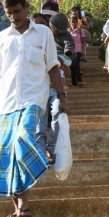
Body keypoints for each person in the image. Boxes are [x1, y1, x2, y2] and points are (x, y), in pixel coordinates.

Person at [0, 0, 69, 217]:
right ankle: (21, 207)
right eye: (9, 13)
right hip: (7, 104)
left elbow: (53, 66)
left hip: (34, 100)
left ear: (26, 7)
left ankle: (38, 171)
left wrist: (61, 96)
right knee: (7, 156)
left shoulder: (43, 33)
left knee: (24, 140)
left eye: (18, 11)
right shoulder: (1, 39)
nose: (14, 17)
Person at [38, 12, 74, 160]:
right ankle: (40, 152)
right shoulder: (39, 42)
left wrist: (61, 61)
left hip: (55, 90)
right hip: (39, 89)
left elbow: (68, 73)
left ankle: (51, 148)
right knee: (39, 124)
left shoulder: (62, 42)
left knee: (57, 112)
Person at [68, 15, 87, 87]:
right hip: (70, 50)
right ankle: (73, 82)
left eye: (74, 22)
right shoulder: (68, 31)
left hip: (78, 49)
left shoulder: (80, 30)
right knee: (71, 65)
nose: (73, 23)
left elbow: (83, 41)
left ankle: (79, 80)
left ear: (77, 22)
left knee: (76, 63)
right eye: (71, 22)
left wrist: (83, 51)